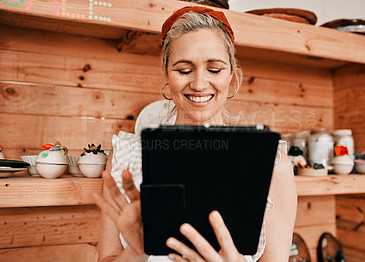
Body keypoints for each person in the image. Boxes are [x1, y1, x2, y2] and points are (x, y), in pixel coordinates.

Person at [94, 6, 297, 262]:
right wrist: (135, 252)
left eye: (214, 70)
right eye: (184, 70)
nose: (200, 84)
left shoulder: (271, 163)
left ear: (231, 75)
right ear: (167, 75)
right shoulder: (126, 156)